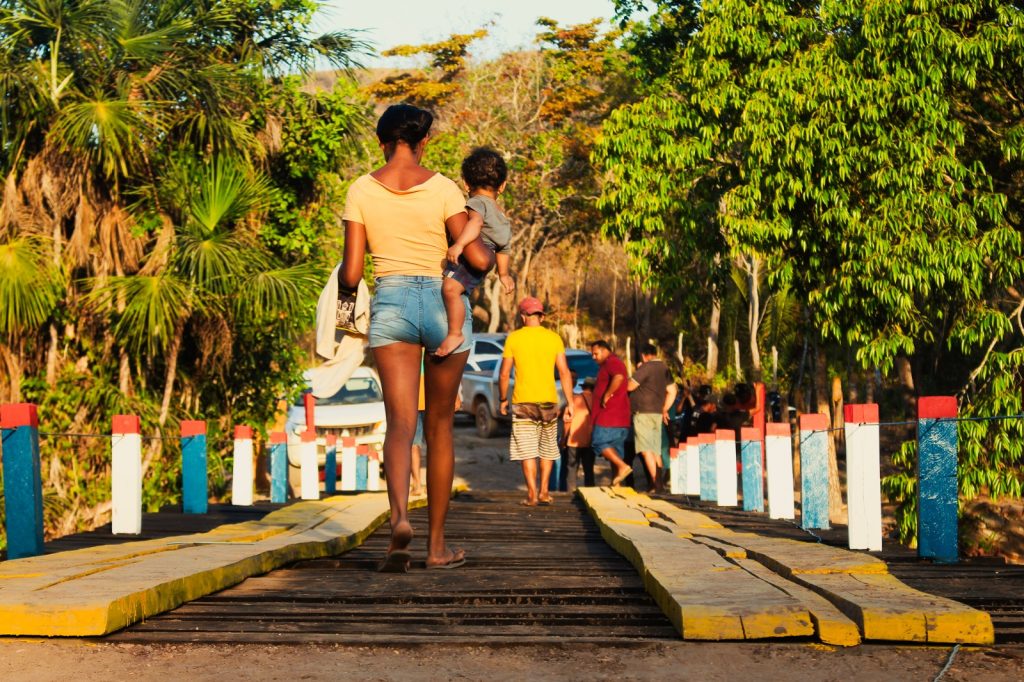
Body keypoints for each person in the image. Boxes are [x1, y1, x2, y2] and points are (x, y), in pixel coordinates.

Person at [339, 104, 494, 572]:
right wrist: (480, 233)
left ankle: (400, 522)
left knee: (401, 425)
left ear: (382, 141)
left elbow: (351, 272)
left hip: (390, 302)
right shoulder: (445, 188)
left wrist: (347, 301)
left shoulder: (361, 189)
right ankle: (436, 547)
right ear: (423, 141)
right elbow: (481, 262)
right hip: (442, 303)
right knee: (441, 426)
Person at [437, 148, 516, 357]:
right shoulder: (502, 215)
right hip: (486, 261)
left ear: (466, 184)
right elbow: (504, 248)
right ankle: (455, 329)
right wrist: (504, 274)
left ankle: (455, 333)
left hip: (472, 257)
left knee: (450, 290)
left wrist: (459, 245)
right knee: (459, 291)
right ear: (503, 186)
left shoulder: (477, 203)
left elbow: (475, 223)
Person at [499, 297, 575, 506]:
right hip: (549, 403)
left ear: (523, 317)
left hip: (523, 403)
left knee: (527, 450)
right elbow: (564, 372)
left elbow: (504, 374)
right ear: (541, 316)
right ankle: (544, 492)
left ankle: (531, 494)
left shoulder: (514, 338)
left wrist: (503, 399)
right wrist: (570, 402)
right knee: (547, 449)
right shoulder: (554, 338)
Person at [627, 344, 677, 493]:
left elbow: (629, 386)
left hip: (643, 413)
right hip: (656, 414)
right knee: (655, 450)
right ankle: (659, 484)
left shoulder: (646, 367)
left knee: (645, 449)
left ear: (644, 355)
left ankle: (656, 484)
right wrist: (665, 408)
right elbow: (673, 391)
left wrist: (636, 372)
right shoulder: (664, 368)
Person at [589, 340, 633, 486]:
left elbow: (619, 377)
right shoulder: (609, 364)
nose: (593, 357)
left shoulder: (611, 361)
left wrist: (607, 394)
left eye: (595, 353)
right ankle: (617, 484)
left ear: (605, 350)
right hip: (620, 417)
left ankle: (622, 466)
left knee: (598, 442)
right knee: (616, 451)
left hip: (609, 416)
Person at [562, 377, 597, 493]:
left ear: (583, 387)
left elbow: (567, 422)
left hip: (573, 440)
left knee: (571, 469)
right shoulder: (598, 401)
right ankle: (591, 494)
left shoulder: (574, 400)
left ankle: (570, 492)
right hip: (591, 440)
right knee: (589, 469)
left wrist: (563, 439)